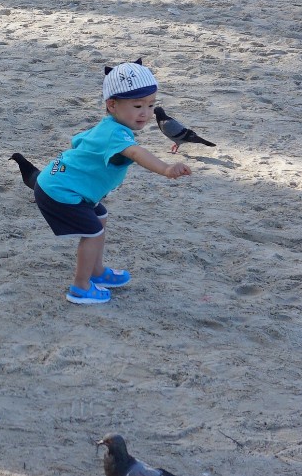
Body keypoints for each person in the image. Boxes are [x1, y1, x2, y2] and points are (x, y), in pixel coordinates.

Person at [33, 62, 192, 306]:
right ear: (112, 105)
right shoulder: (116, 134)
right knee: (93, 232)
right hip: (59, 191)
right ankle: (80, 287)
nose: (145, 113)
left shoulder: (110, 126)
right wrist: (166, 169)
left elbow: (78, 142)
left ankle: (97, 272)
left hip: (59, 181)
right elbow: (137, 154)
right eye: (137, 106)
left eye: (151, 105)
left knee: (100, 217)